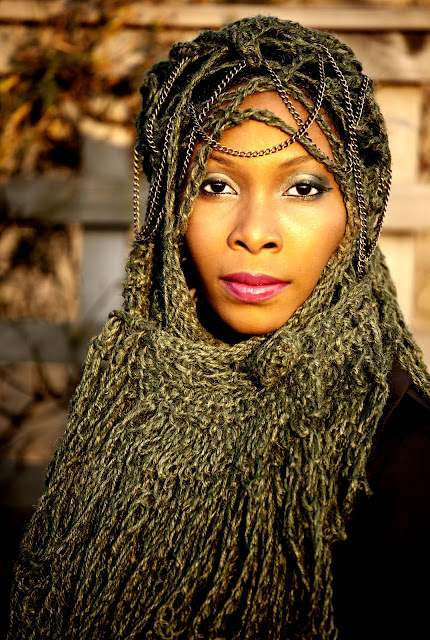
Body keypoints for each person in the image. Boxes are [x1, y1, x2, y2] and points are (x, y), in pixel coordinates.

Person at [8, 15, 430, 640]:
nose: (254, 232)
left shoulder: (401, 456)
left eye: (303, 187)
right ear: (172, 209)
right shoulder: (125, 404)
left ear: (357, 212)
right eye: (215, 184)